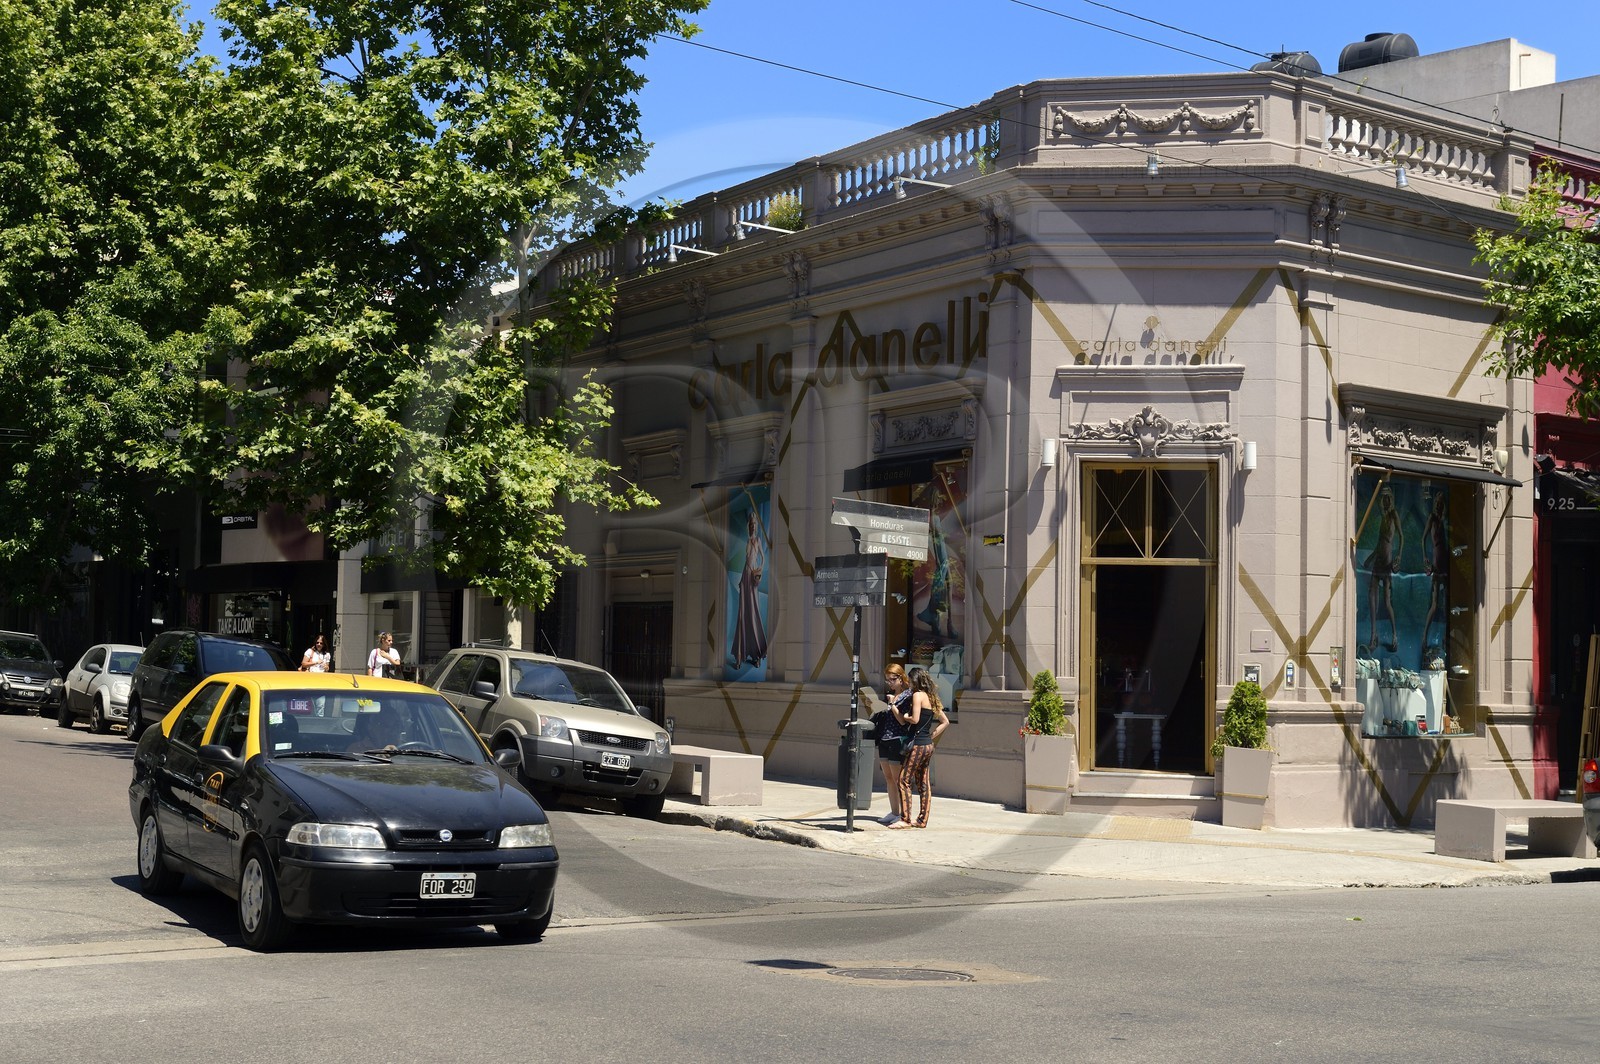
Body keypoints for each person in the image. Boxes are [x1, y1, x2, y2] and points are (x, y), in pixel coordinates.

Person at [890, 666, 949, 829]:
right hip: (927, 745)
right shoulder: (931, 697)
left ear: (915, 681)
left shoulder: (917, 695)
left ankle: (905, 819)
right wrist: (931, 736)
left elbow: (915, 719)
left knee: (903, 780)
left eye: (910, 680)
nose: (908, 683)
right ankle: (922, 820)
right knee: (923, 782)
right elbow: (945, 722)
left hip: (917, 745)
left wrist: (906, 716)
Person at [872, 664, 914, 826]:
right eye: (887, 680)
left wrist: (893, 705)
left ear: (901, 678)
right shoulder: (890, 695)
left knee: (898, 779)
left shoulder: (907, 696)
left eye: (892, 679)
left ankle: (903, 813)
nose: (890, 683)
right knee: (888, 777)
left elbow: (903, 721)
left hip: (897, 738)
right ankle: (894, 811)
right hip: (884, 737)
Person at [729, 504, 770, 668]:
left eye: (754, 524)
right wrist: (741, 579)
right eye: (751, 524)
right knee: (742, 614)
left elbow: (762, 558)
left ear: (756, 526)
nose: (752, 526)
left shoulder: (758, 541)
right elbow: (746, 560)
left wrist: (759, 570)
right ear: (749, 526)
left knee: (753, 613)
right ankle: (740, 654)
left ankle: (758, 653)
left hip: (752, 576)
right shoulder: (748, 541)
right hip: (745, 575)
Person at [1363, 488, 1402, 655]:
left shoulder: (1393, 516)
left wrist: (1398, 556)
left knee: (1386, 601)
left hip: (1387, 562)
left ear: (1391, 500)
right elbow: (1380, 543)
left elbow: (1401, 537)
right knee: (1372, 596)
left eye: (1388, 499)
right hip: (1379, 560)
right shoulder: (1384, 518)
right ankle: (1373, 635)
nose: (1385, 502)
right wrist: (1370, 558)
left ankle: (1394, 636)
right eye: (1384, 499)